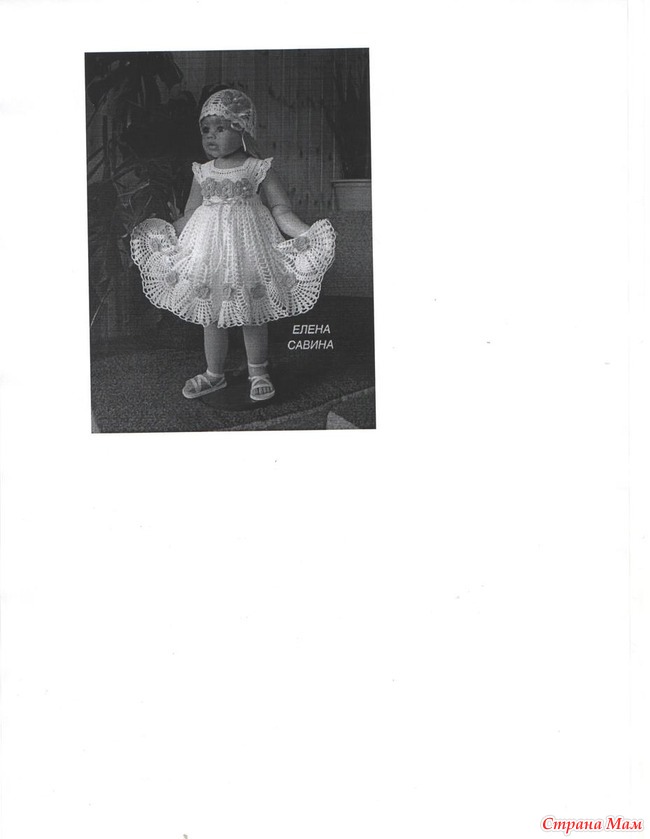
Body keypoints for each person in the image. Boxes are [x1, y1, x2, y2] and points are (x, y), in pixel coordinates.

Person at [131, 88, 336, 401]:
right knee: (211, 313)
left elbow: (280, 209)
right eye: (206, 129)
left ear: (242, 129)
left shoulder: (257, 168)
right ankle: (214, 374)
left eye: (220, 128)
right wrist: (167, 236)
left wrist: (304, 233)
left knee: (251, 310)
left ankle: (258, 370)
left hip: (248, 249)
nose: (211, 136)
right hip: (208, 251)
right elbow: (191, 213)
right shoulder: (202, 172)